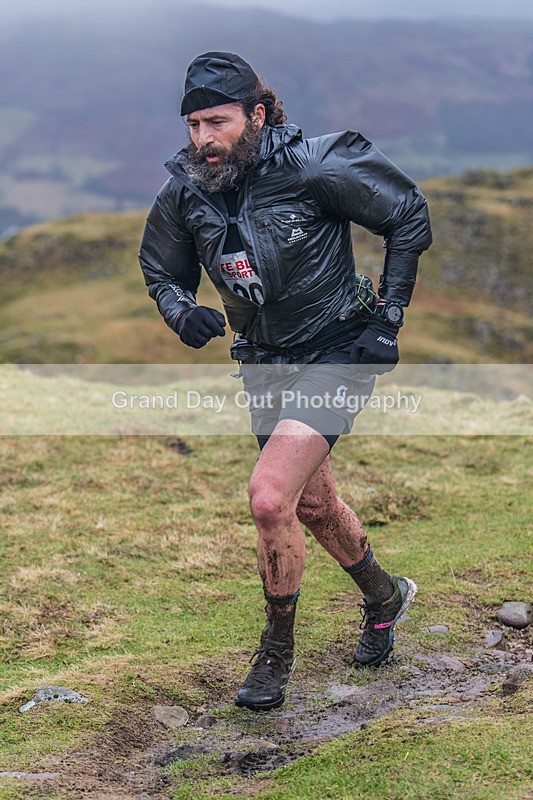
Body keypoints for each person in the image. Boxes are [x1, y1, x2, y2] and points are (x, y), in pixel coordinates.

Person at [139, 52, 432, 711]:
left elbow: (407, 213)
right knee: (310, 505)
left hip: (338, 348)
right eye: (192, 124)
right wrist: (179, 310)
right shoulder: (187, 187)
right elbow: (162, 267)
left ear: (258, 114)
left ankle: (275, 652)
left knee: (269, 497)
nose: (202, 139)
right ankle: (386, 597)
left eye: (216, 121)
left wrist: (388, 316)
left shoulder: (317, 165)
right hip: (264, 360)